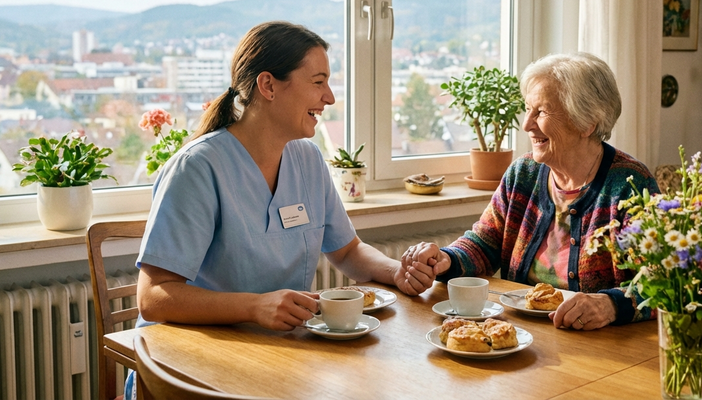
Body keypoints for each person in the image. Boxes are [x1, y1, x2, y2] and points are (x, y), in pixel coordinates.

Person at [128, 21, 423, 398]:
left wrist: (397, 272)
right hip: (188, 368)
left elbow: (348, 251)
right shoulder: (198, 169)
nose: (330, 97)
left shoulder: (308, 159)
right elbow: (153, 298)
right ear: (267, 86)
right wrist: (254, 307)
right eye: (318, 82)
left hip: (279, 355)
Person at [401, 52, 659, 331]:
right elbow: (485, 243)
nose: (526, 124)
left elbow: (663, 283)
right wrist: (445, 259)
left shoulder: (631, 184)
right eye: (528, 109)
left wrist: (609, 305)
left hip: (597, 344)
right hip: (520, 335)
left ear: (587, 123)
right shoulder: (524, 173)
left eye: (542, 112)